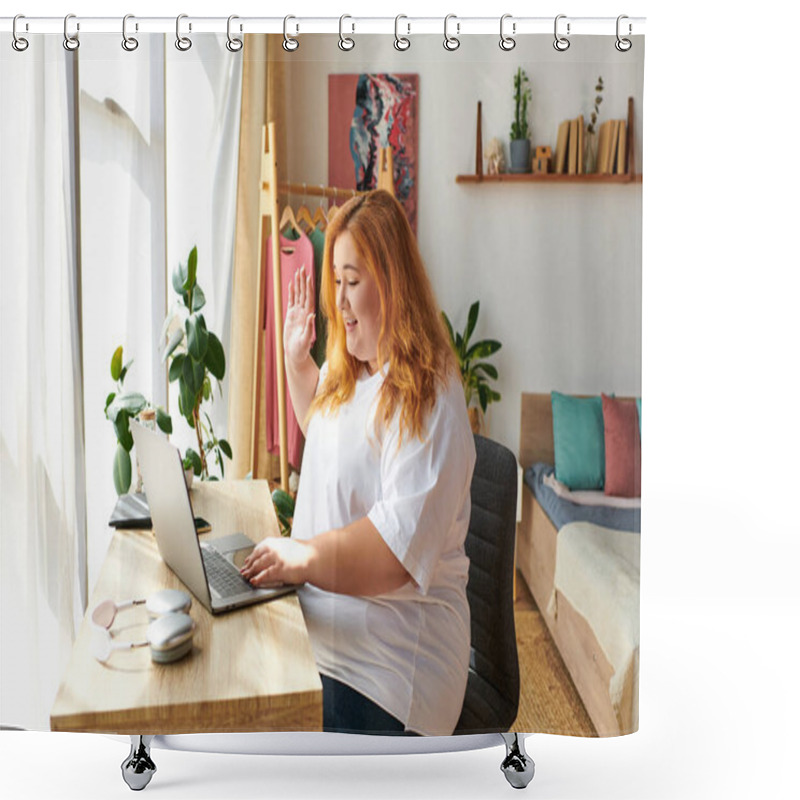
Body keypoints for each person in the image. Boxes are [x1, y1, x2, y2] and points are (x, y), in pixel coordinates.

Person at [240, 189, 476, 736]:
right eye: (336, 283)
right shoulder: (352, 368)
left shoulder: (429, 394)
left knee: (260, 740)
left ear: (391, 284)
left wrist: (301, 557)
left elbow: (394, 554)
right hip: (323, 631)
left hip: (389, 669)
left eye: (352, 282)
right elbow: (321, 436)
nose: (339, 303)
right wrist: (298, 363)